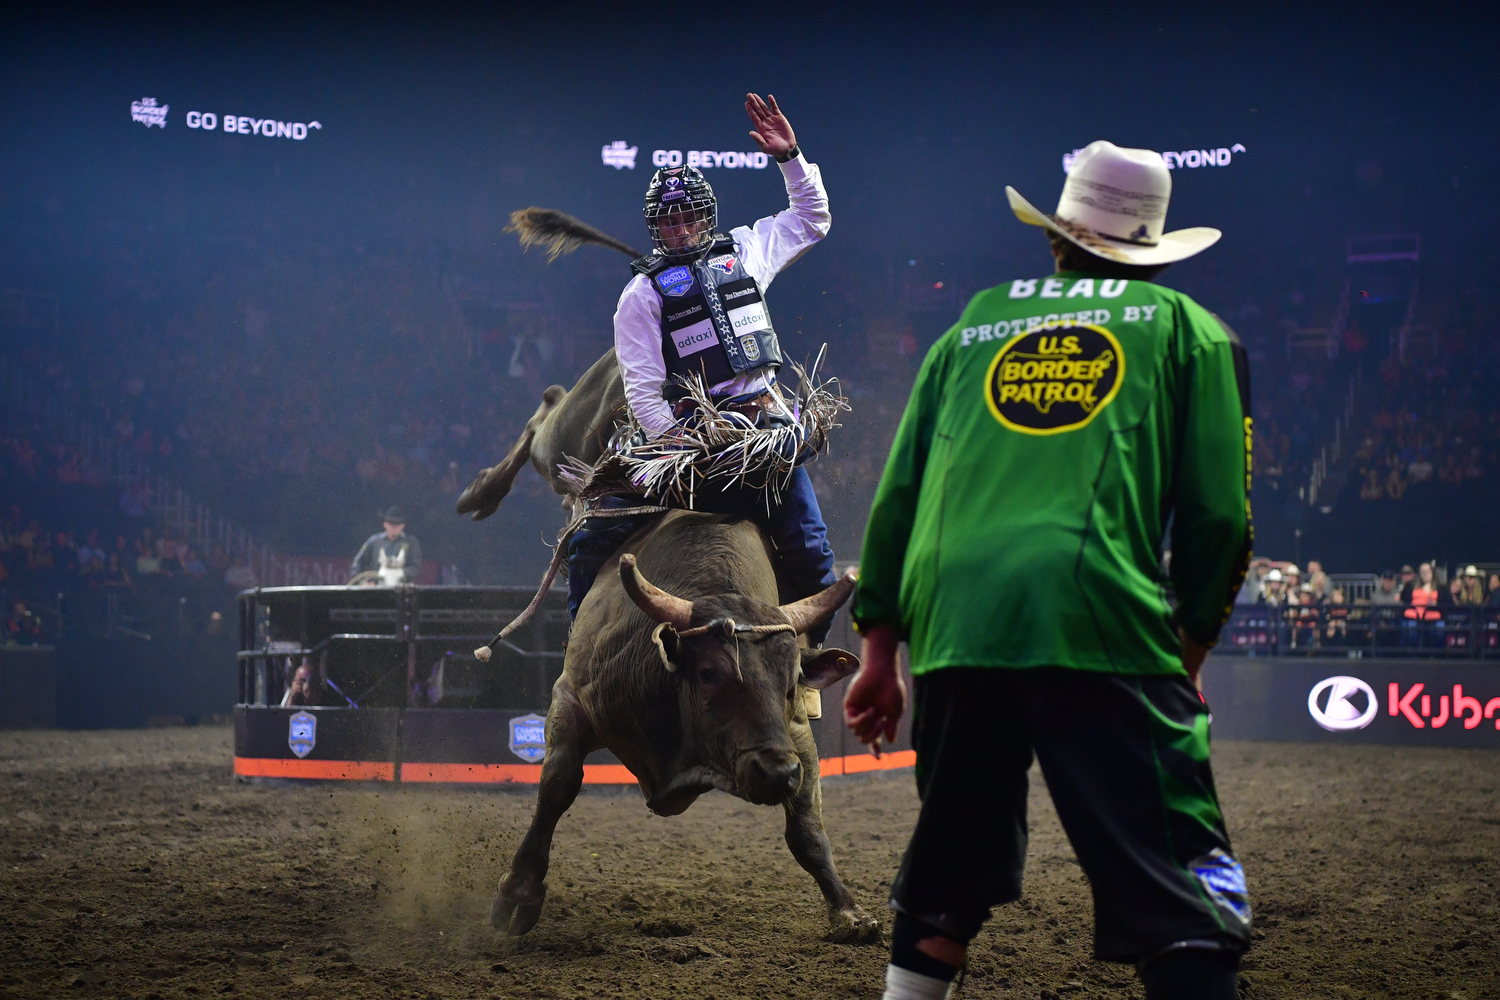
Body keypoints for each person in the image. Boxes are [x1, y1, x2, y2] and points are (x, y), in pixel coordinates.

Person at [844, 140, 1253, 1000]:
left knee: (949, 864)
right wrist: (1190, 653)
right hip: (1097, 611)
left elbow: (898, 497)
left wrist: (880, 651)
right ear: (1149, 248)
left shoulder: (971, 327)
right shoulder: (1192, 334)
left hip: (957, 623)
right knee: (1177, 885)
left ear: (1055, 237)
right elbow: (1219, 516)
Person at [566, 93, 838, 644]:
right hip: (685, 441)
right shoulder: (640, 296)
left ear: (707, 216)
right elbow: (643, 391)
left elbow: (812, 219)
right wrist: (683, 447)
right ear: (654, 228)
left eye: (689, 217)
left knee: (813, 553)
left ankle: (803, 663)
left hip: (764, 435)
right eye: (670, 222)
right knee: (589, 540)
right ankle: (578, 658)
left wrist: (791, 158)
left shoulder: (747, 249)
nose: (681, 230)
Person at [350, 506, 423, 586]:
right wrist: (362, 582)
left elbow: (415, 566)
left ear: (403, 525)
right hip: (377, 588)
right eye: (391, 524)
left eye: (397, 524)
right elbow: (358, 562)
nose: (394, 527)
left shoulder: (411, 542)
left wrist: (400, 574)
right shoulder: (374, 541)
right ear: (385, 524)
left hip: (403, 587)